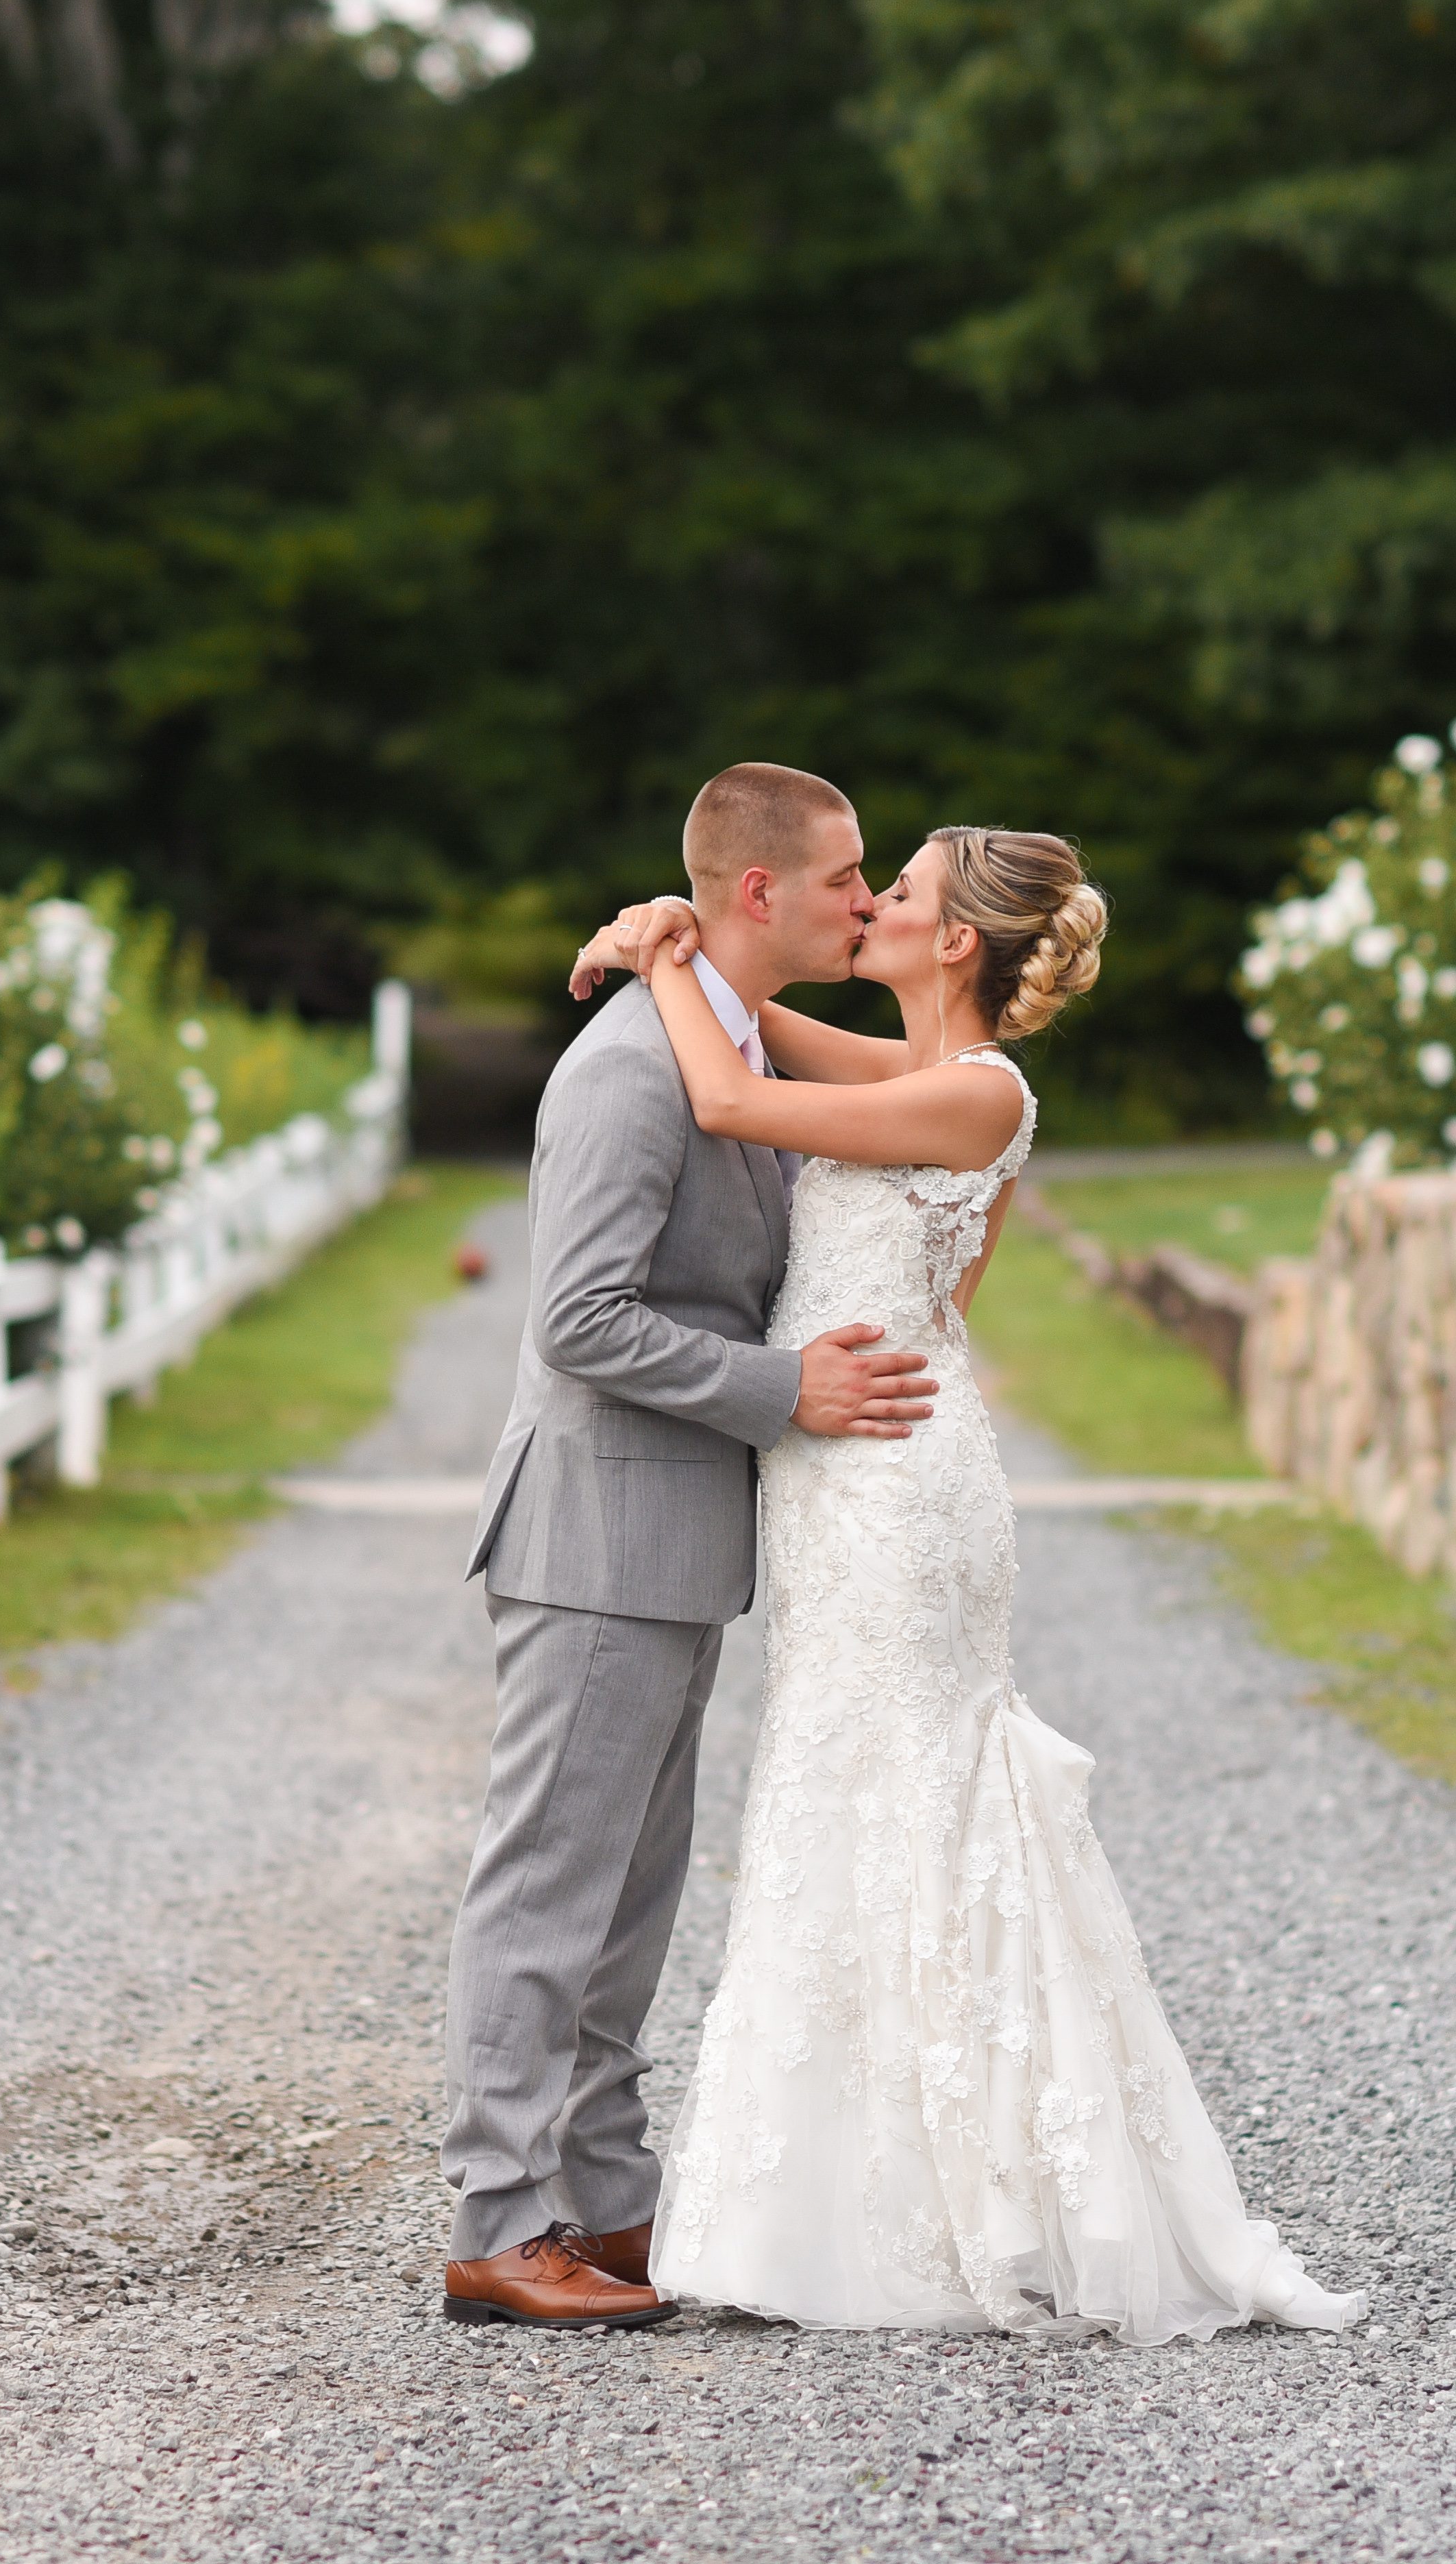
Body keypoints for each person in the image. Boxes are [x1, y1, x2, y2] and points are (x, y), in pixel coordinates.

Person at [568, 826, 1366, 2343]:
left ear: (953, 947)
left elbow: (730, 1089)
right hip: (842, 1478)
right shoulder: (902, 1064)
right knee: (844, 1792)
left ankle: (919, 2206)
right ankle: (865, 2185)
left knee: (892, 1792)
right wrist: (674, 941)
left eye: (904, 894)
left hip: (892, 1489)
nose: (871, 903)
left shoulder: (974, 1088)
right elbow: (756, 1034)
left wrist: (664, 953)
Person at [436, 763, 937, 2330]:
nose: (864, 899)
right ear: (756, 892)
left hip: (671, 1542)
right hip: (595, 1536)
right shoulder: (625, 1072)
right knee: (545, 1889)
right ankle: (496, 2220)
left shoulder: (716, 1031)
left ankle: (602, 2198)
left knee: (629, 1902)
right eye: (848, 874)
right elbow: (578, 1320)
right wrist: (788, 1394)